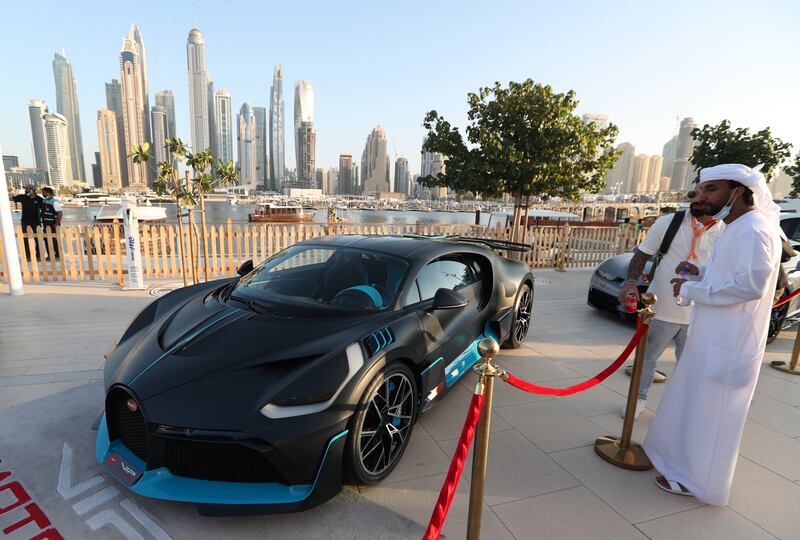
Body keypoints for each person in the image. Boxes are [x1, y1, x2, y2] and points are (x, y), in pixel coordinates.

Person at [643, 163, 782, 505]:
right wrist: (700, 271)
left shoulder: (754, 229)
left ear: (739, 191)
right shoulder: (736, 226)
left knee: (715, 417)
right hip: (713, 334)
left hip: (730, 341)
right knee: (697, 405)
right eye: (701, 190)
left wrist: (692, 290)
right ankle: (678, 463)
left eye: (711, 190)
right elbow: (729, 273)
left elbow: (751, 285)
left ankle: (700, 483)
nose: (700, 197)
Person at [617, 191, 722, 418]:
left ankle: (684, 406)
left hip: (701, 313)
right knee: (646, 358)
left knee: (692, 365)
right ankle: (638, 399)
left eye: (705, 196)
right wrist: (631, 282)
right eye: (695, 194)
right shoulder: (669, 222)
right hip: (661, 306)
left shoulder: (727, 230)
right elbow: (641, 256)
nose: (697, 200)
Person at [11, 185, 43, 260]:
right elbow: (10, 198)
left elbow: (43, 210)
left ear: (33, 190)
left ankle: (38, 255)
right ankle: (27, 256)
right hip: (25, 221)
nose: (26, 190)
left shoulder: (39, 199)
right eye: (25, 189)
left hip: (36, 221)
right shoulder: (22, 197)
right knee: (25, 239)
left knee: (38, 239)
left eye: (28, 189)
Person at [40, 187, 62, 259]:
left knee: (54, 240)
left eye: (43, 192)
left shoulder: (55, 202)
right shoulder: (44, 201)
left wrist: (55, 225)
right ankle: (50, 254)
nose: (42, 194)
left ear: (48, 193)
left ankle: (57, 254)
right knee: (46, 239)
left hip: (52, 224)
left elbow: (60, 214)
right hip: (46, 224)